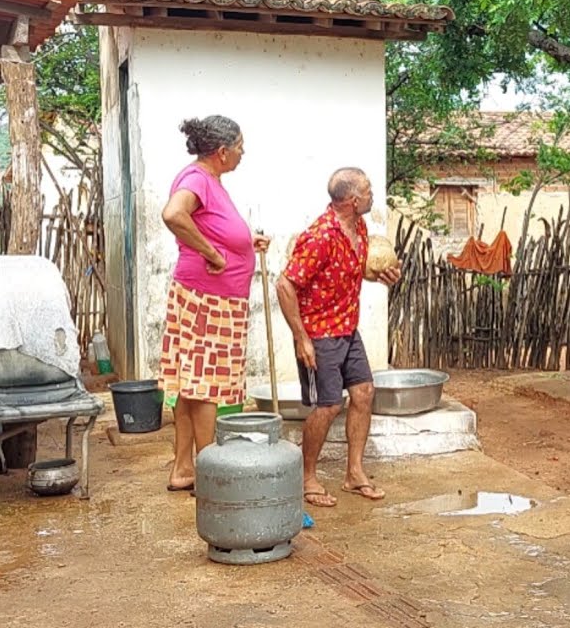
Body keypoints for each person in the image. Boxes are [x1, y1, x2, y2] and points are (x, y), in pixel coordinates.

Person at [276, 168, 401, 508]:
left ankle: (354, 473)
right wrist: (301, 338)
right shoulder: (320, 236)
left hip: (347, 327)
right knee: (329, 405)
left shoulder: (357, 226)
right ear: (352, 199)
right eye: (368, 189)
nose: (373, 193)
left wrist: (381, 275)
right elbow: (284, 284)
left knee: (364, 393)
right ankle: (307, 479)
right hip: (319, 334)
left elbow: (351, 269)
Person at [159, 115, 270, 492]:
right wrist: (213, 253)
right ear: (222, 152)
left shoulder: (210, 180)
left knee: (191, 383)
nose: (243, 153)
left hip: (207, 295)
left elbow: (213, 227)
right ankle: (208, 471)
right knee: (206, 385)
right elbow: (173, 214)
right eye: (240, 146)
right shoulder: (197, 179)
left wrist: (243, 242)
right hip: (210, 298)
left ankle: (183, 469)